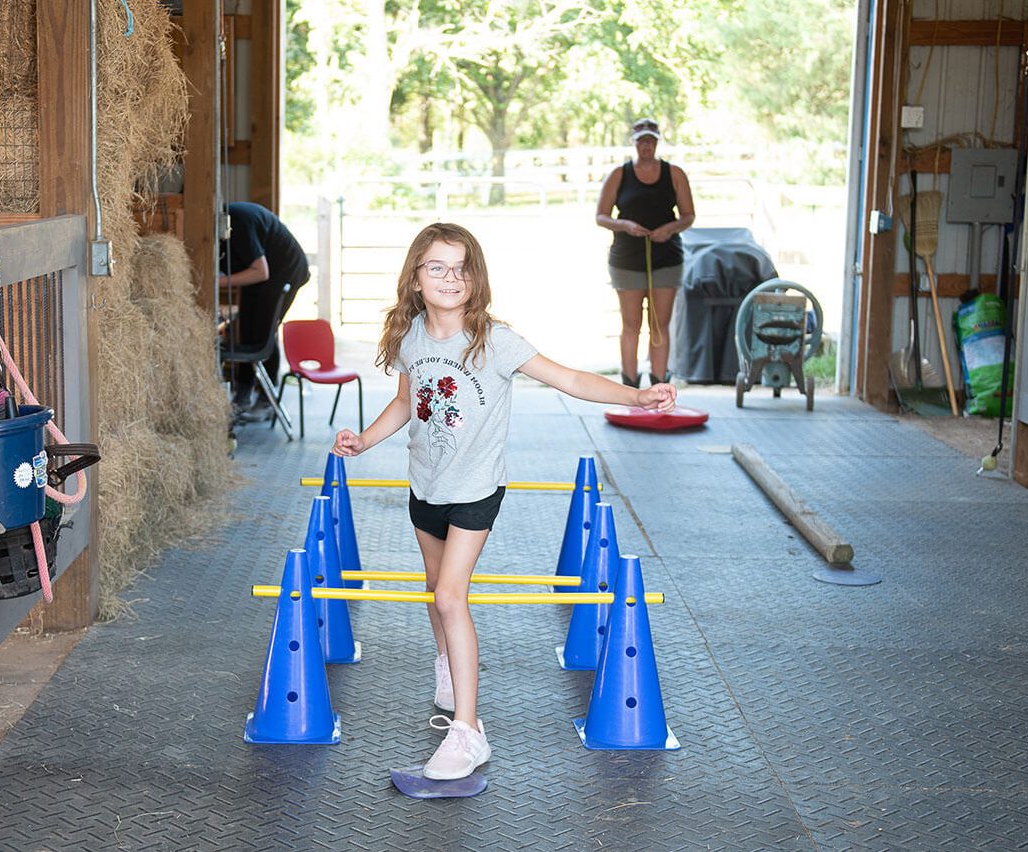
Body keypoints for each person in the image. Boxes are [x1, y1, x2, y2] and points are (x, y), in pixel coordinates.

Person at [331, 223, 676, 781]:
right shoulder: (411, 335)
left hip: (474, 490)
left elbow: (568, 378)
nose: (450, 277)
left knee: (449, 597)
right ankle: (447, 666)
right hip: (426, 486)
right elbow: (405, 401)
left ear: (476, 279)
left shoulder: (494, 341)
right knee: (432, 587)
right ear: (415, 279)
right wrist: (366, 440)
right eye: (436, 267)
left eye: (461, 267)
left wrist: (635, 396)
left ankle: (468, 732)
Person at [595, 117, 696, 388]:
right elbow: (601, 216)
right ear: (634, 143)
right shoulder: (620, 174)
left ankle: (660, 385)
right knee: (631, 324)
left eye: (651, 141)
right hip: (626, 260)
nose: (647, 146)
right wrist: (624, 225)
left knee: (659, 324)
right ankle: (629, 386)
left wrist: (670, 229)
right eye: (642, 141)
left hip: (666, 258)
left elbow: (688, 216)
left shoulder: (674, 174)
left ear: (657, 142)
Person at [219, 201, 310, 409]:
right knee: (248, 326)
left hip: (285, 269)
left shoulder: (237, 224)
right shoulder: (222, 230)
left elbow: (261, 271)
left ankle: (265, 398)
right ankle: (244, 391)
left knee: (264, 330)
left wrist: (217, 282)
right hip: (266, 272)